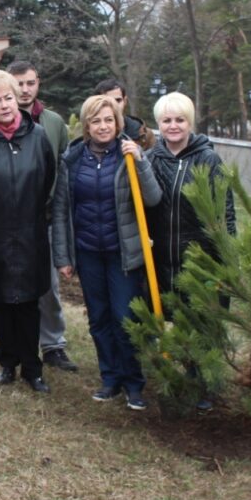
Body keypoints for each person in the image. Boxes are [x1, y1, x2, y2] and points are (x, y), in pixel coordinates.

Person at [0, 71, 67, 393]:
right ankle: (8, 362)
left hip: (30, 231)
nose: (5, 105)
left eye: (8, 98)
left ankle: (32, 368)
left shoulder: (37, 137)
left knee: (28, 303)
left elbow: (49, 178)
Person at [55, 95, 162, 410]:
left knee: (124, 317)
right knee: (99, 318)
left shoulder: (130, 155)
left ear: (118, 122)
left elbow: (153, 199)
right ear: (87, 125)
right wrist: (63, 257)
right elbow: (61, 210)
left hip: (122, 254)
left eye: (108, 120)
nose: (103, 126)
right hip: (89, 252)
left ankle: (134, 382)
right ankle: (110, 377)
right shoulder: (72, 159)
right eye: (96, 121)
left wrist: (141, 162)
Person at [146, 92, 236, 412]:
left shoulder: (208, 160)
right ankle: (170, 379)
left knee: (201, 322)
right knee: (168, 320)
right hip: (161, 257)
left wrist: (225, 261)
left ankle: (204, 383)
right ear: (158, 124)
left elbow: (224, 213)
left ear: (190, 122)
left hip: (198, 258)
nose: (173, 126)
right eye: (167, 120)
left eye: (179, 120)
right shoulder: (151, 159)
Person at [4, 60, 77, 372]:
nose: (24, 89)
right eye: (18, 83)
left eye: (30, 83)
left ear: (38, 84)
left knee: (47, 285)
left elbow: (63, 169)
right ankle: (10, 341)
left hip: (44, 216)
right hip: (8, 219)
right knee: (8, 283)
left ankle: (52, 344)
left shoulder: (54, 123)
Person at [94, 79, 156, 151]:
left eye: (118, 100)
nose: (114, 105)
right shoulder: (89, 135)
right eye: (107, 101)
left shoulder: (145, 136)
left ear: (125, 101)